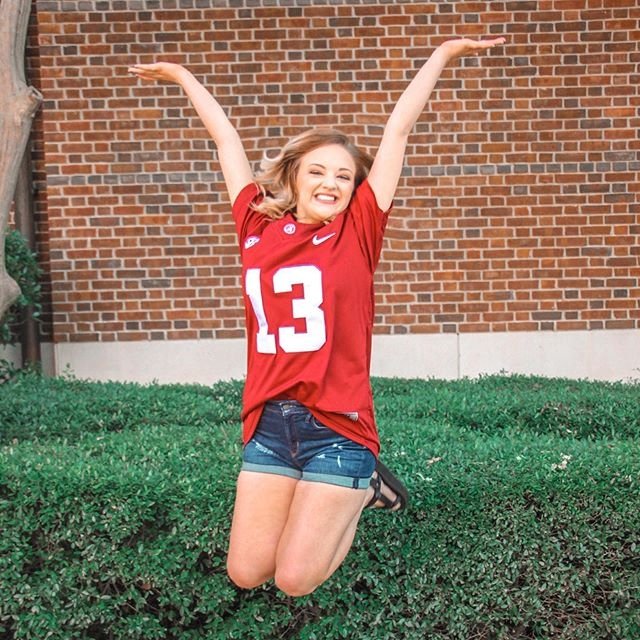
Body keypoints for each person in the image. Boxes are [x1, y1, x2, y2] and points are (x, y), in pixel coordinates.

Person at [128, 35, 505, 597]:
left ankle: (364, 484)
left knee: (296, 579)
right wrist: (184, 78)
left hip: (337, 426)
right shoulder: (255, 226)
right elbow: (225, 140)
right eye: (318, 172)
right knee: (246, 572)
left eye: (343, 176)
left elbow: (398, 131)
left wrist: (443, 55)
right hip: (269, 425)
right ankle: (361, 489)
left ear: (354, 188)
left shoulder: (358, 231)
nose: (331, 183)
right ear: (294, 177)